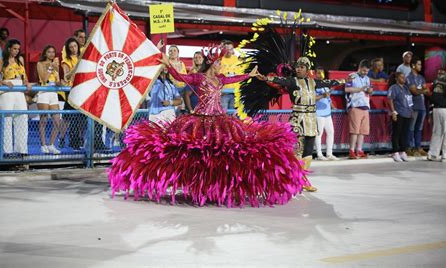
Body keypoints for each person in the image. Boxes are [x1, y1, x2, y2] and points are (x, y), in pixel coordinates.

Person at [108, 46, 309, 207]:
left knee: (221, 154)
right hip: (199, 120)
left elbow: (233, 79)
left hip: (220, 120)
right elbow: (180, 78)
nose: (222, 66)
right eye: (220, 63)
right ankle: (197, 186)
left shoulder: (221, 79)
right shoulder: (198, 77)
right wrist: (169, 65)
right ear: (213, 63)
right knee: (196, 154)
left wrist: (249, 75)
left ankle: (216, 186)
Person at [263, 57, 345, 191]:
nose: (299, 69)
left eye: (302, 67)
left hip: (311, 120)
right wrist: (264, 77)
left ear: (307, 69)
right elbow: (278, 79)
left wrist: (344, 80)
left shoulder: (313, 82)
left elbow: (328, 82)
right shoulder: (292, 81)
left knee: (308, 152)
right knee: (297, 151)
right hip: (297, 120)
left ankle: (303, 180)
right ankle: (292, 180)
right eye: (297, 67)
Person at [0, 39, 31, 155]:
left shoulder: (20, 60)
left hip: (19, 90)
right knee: (7, 120)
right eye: (14, 48)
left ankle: (21, 150)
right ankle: (6, 151)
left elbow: (24, 76)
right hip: (7, 91)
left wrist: (26, 82)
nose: (16, 51)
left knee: (22, 119)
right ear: (9, 48)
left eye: (18, 49)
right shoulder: (2, 61)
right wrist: (5, 82)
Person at [345, 59, 373, 159]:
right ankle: (351, 151)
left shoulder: (368, 79)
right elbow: (347, 89)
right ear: (359, 68)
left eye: (367, 71)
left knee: (363, 131)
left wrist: (370, 90)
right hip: (355, 105)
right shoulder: (352, 76)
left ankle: (359, 150)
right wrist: (360, 89)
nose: (365, 73)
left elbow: (371, 90)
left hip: (365, 106)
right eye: (364, 70)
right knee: (354, 131)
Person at [36, 45, 62, 154]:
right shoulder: (40, 64)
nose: (51, 54)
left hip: (53, 94)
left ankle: (51, 144)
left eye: (53, 52)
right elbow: (44, 79)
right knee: (44, 120)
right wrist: (51, 67)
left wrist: (59, 82)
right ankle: (43, 145)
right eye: (49, 52)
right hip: (44, 93)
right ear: (45, 53)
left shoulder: (56, 66)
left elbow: (58, 81)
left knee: (57, 121)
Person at [62, 37, 85, 150]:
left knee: (82, 118)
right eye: (71, 47)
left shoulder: (84, 56)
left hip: (84, 90)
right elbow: (66, 76)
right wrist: (76, 67)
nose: (73, 49)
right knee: (70, 117)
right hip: (72, 91)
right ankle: (70, 140)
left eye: (75, 46)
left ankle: (81, 140)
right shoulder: (66, 60)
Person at [314, 66, 338, 161]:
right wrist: (322, 95)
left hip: (328, 114)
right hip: (318, 113)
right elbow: (312, 98)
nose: (320, 75)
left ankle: (329, 154)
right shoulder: (314, 84)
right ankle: (319, 154)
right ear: (315, 74)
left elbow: (328, 97)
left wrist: (331, 105)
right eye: (318, 73)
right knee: (319, 134)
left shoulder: (326, 84)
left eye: (322, 73)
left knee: (331, 132)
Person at [388, 72, 413, 162]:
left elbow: (409, 100)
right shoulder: (393, 88)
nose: (404, 78)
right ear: (396, 78)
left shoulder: (406, 88)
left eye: (404, 77)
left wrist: (411, 111)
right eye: (401, 77)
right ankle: (395, 151)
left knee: (405, 133)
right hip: (399, 113)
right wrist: (393, 112)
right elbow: (390, 100)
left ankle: (403, 151)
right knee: (397, 132)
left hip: (407, 114)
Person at [406, 57, 428, 157]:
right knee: (411, 128)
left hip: (422, 107)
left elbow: (426, 90)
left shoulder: (421, 77)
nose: (421, 66)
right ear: (413, 65)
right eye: (419, 64)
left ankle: (418, 147)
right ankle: (410, 148)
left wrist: (421, 91)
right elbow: (414, 92)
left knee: (419, 128)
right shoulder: (409, 77)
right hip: (413, 107)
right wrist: (422, 91)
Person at [427, 66, 446, 162]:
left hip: (436, 109)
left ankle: (432, 154)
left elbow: (431, 93)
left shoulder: (437, 81)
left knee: (436, 132)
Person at [219, 40, 242, 110]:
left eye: (231, 49)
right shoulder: (219, 60)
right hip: (224, 92)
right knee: (223, 114)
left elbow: (240, 74)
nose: (229, 51)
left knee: (233, 115)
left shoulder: (236, 59)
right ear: (223, 49)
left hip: (235, 92)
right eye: (227, 49)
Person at [167, 45, 187, 112]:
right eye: (170, 51)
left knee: (182, 111)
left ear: (178, 53)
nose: (172, 52)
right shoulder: (167, 63)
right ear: (168, 53)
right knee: (173, 110)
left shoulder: (182, 63)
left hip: (182, 90)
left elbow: (185, 77)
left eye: (174, 50)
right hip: (171, 90)